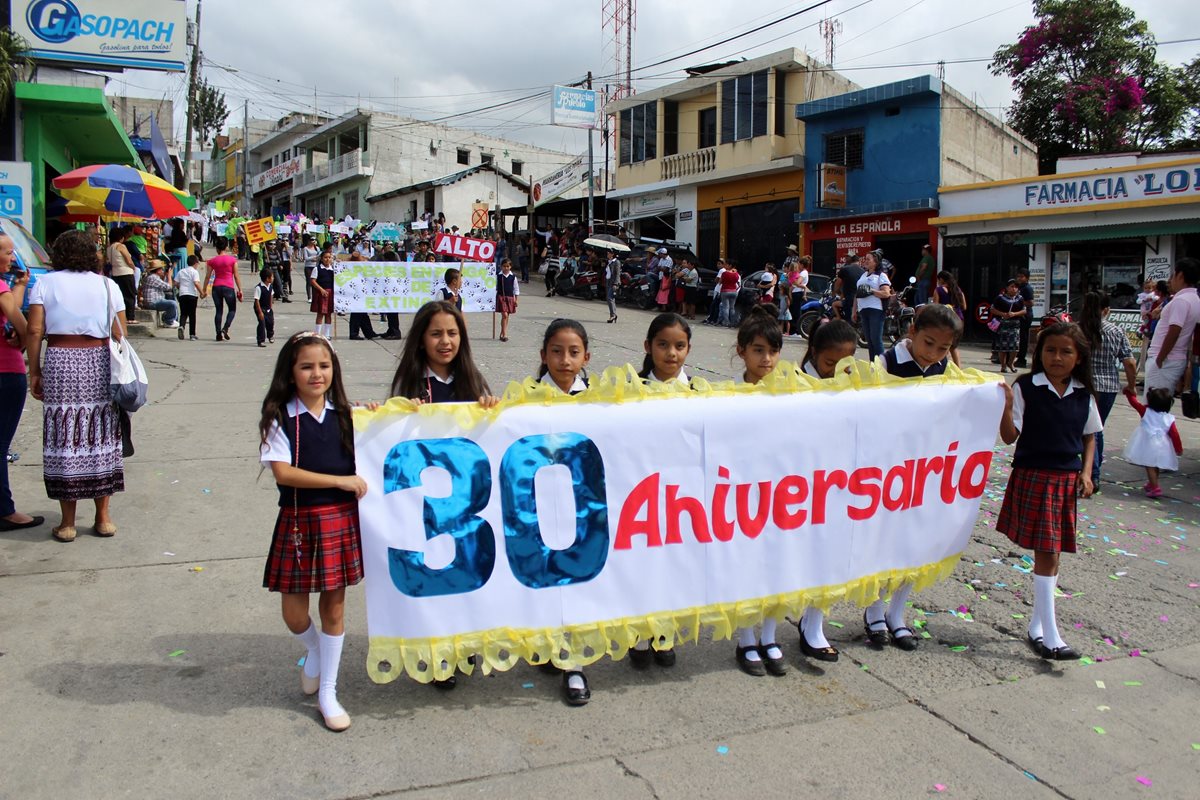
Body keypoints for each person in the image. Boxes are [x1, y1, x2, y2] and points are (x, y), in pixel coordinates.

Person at [259, 331, 367, 731]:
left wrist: (378, 417)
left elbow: (376, 446)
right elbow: (282, 473)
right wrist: (339, 481)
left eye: (323, 366)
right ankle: (315, 650)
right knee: (293, 614)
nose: (316, 374)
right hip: (300, 522)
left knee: (334, 608)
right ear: (291, 372)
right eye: (306, 366)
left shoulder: (347, 415)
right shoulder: (279, 417)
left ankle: (328, 691)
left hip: (339, 522)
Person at [388, 301, 499, 689]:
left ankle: (464, 642)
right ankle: (437, 654)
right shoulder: (411, 387)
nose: (445, 341)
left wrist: (490, 408)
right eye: (436, 333)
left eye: (452, 333)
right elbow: (390, 441)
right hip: (428, 507)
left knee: (465, 572)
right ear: (421, 340)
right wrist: (392, 415)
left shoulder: (471, 381)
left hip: (467, 503)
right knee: (436, 577)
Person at [997, 322, 1100, 661]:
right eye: (1050, 350)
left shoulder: (1084, 392)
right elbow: (1011, 437)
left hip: (1066, 480)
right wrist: (1007, 404)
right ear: (1039, 353)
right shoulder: (1027, 385)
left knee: (1052, 554)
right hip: (1034, 475)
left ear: (1078, 357)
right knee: (1048, 551)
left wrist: (1087, 473)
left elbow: (1089, 436)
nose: (1057, 357)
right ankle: (1050, 636)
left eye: (1065, 352)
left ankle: (1039, 626)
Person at [863, 305, 962, 650]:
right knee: (883, 542)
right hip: (890, 468)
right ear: (912, 330)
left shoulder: (945, 368)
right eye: (928, 342)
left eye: (943, 348)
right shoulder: (887, 362)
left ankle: (897, 613)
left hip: (926, 469)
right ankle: (874, 610)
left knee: (913, 544)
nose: (933, 353)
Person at [25, 230, 128, 543]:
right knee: (100, 434)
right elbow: (119, 333)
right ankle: (104, 519)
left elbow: (34, 329)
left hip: (60, 360)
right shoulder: (107, 285)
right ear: (92, 255)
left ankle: (68, 524)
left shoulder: (45, 283)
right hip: (98, 361)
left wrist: (34, 370)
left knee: (65, 436)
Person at [628, 312, 693, 669]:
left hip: (683, 498)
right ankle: (638, 636)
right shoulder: (628, 390)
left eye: (679, 346)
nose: (671, 353)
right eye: (663, 345)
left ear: (688, 349)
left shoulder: (701, 391)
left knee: (674, 567)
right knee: (642, 567)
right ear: (648, 347)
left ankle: (665, 635)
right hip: (640, 496)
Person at [534, 318, 594, 704]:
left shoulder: (603, 398)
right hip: (543, 507)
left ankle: (575, 665)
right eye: (556, 351)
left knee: (577, 583)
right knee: (549, 580)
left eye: (574, 353)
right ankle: (547, 643)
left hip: (586, 508)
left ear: (587, 357)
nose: (565, 360)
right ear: (543, 355)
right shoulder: (524, 398)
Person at [731, 306, 788, 677]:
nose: (766, 359)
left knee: (778, 566)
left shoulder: (792, 394)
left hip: (784, 497)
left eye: (772, 350)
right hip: (741, 498)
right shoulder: (729, 397)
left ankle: (770, 634)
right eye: (758, 350)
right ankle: (744, 637)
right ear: (742, 352)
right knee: (744, 566)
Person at [0, 235, 41, 532]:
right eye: (9, 252)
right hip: (6, 372)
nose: (12, 258)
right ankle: (4, 510)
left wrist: (20, 285)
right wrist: (26, 337)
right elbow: (25, 327)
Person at [1078, 292, 1137, 489]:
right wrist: (1131, 385)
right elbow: (1129, 362)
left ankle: (1086, 471)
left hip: (1082, 384)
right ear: (1106, 310)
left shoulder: (1078, 330)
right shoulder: (1116, 331)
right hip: (1108, 386)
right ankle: (1094, 473)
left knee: (1082, 428)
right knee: (1097, 428)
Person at [1146, 258, 1200, 396]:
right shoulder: (1194, 299)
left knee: (1153, 405)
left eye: (1173, 275)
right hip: (1173, 358)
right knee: (1161, 405)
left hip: (1165, 359)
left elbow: (1175, 330)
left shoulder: (1181, 300)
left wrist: (1160, 359)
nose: (1171, 280)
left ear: (1180, 275)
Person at [1121, 387, 1183, 498]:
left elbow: (1135, 403)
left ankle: (1155, 488)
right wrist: (1178, 448)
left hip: (1149, 444)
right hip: (1163, 445)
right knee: (1156, 465)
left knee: (1149, 465)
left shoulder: (1146, 411)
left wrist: (1128, 394)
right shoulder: (1169, 418)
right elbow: (1175, 434)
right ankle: (1152, 483)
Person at [203, 237, 243, 342]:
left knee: (219, 311)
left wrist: (204, 290)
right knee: (232, 309)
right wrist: (240, 289)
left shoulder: (212, 261)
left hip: (216, 287)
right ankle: (225, 328)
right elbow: (236, 276)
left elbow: (207, 276)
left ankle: (218, 334)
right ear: (226, 247)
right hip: (228, 287)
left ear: (217, 248)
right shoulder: (232, 260)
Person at [854, 251, 892, 361]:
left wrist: (871, 291)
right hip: (863, 309)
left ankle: (882, 364)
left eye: (868, 259)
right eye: (865, 259)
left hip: (876, 309)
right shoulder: (863, 275)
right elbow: (857, 294)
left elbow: (886, 293)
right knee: (869, 340)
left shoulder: (881, 275)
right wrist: (854, 310)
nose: (865, 261)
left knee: (876, 338)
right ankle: (873, 364)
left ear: (875, 262)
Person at [991, 280, 1025, 373]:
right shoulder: (1000, 298)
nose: (1014, 289)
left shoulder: (1020, 298)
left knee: (1015, 346)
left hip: (1015, 325)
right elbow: (992, 309)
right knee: (1003, 347)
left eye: (1016, 287)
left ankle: (1010, 363)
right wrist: (1003, 314)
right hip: (1003, 324)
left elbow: (1024, 310)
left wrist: (1014, 314)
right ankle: (1003, 366)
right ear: (1007, 288)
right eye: (1012, 286)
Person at [935, 270, 968, 367]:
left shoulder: (938, 290)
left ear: (941, 279)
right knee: (953, 347)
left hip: (945, 320)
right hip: (958, 320)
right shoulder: (958, 290)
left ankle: (941, 368)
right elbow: (964, 307)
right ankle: (958, 369)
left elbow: (935, 307)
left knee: (942, 344)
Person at [107, 225, 138, 323]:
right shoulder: (121, 246)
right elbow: (128, 260)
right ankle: (130, 318)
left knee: (121, 296)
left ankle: (121, 317)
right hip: (126, 273)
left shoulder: (109, 248)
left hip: (115, 274)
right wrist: (133, 267)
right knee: (130, 295)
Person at [140, 261, 180, 329]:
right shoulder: (153, 278)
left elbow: (163, 286)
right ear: (157, 271)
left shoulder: (152, 277)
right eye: (161, 269)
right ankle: (168, 321)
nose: (163, 270)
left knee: (171, 299)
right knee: (172, 303)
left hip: (153, 301)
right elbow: (169, 287)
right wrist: (169, 276)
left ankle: (168, 318)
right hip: (153, 302)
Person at [175, 255, 204, 341]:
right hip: (192, 295)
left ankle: (181, 326)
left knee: (183, 313)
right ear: (195, 263)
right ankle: (192, 334)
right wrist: (202, 293)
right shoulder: (194, 272)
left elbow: (176, 283)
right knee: (192, 315)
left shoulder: (181, 271)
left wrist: (180, 287)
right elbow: (196, 283)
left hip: (182, 294)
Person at [309, 249, 337, 338]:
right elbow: (313, 281)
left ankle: (327, 334)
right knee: (320, 314)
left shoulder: (333, 269)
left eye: (329, 257)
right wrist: (321, 289)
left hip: (330, 293)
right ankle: (317, 334)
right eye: (325, 257)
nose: (327, 259)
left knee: (328, 314)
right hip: (321, 293)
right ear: (321, 258)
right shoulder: (317, 269)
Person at [1014, 268, 1035, 368]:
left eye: (1021, 277)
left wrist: (1018, 302)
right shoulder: (1019, 288)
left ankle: (1022, 359)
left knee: (1023, 338)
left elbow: (1031, 303)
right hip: (1018, 315)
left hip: (1025, 316)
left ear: (1026, 278)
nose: (1019, 278)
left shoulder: (1027, 288)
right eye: (1018, 276)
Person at [835, 256, 864, 323]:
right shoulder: (863, 271)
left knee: (848, 320)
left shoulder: (844, 269)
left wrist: (838, 293)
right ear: (859, 261)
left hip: (849, 298)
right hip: (859, 299)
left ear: (851, 261)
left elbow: (837, 284)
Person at [495, 258, 519, 342]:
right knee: (504, 315)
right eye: (504, 266)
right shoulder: (498, 276)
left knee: (507, 316)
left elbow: (516, 289)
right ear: (501, 267)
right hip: (501, 297)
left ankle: (502, 332)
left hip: (510, 298)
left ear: (510, 267)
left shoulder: (513, 277)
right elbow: (495, 287)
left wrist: (516, 299)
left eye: (507, 266)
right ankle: (505, 334)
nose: (506, 268)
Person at [788, 256, 811, 335]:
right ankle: (794, 330)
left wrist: (792, 280)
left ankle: (797, 331)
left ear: (802, 264)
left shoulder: (803, 273)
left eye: (799, 263)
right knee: (794, 311)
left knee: (796, 312)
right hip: (795, 292)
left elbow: (797, 283)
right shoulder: (801, 272)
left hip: (797, 293)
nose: (798, 265)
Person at [254, 269, 276, 348]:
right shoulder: (259, 288)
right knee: (262, 323)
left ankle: (270, 336)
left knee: (270, 322)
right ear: (267, 278)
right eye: (272, 277)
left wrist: (271, 307)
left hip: (268, 308)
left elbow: (271, 295)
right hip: (260, 308)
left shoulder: (270, 286)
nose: (273, 278)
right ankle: (261, 340)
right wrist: (260, 312)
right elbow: (257, 301)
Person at [704, 258, 728, 325]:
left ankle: (712, 319)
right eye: (717, 264)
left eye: (719, 264)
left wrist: (716, 280)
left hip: (718, 290)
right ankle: (713, 318)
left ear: (724, 264)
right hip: (721, 290)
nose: (718, 265)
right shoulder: (725, 271)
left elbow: (717, 280)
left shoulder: (722, 270)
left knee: (715, 305)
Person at [718, 258, 741, 327]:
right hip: (734, 291)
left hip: (725, 291)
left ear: (730, 265)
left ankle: (726, 322)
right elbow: (738, 283)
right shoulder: (736, 274)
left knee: (726, 307)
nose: (725, 265)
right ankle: (733, 322)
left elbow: (720, 282)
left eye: (726, 264)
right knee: (732, 307)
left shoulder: (724, 273)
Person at [300, 236, 320, 301]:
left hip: (315, 266)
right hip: (308, 266)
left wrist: (317, 259)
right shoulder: (306, 248)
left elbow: (320, 256)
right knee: (309, 282)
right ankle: (309, 297)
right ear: (309, 241)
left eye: (314, 239)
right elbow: (306, 258)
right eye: (312, 240)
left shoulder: (317, 248)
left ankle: (314, 296)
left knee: (315, 282)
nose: (313, 241)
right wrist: (313, 258)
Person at [604, 249, 620, 324]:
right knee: (610, 299)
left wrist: (616, 284)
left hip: (613, 283)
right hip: (608, 282)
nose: (607, 255)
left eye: (608, 253)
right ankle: (613, 315)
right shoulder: (609, 262)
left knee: (609, 298)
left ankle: (612, 315)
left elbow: (617, 274)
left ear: (612, 254)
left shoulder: (616, 262)